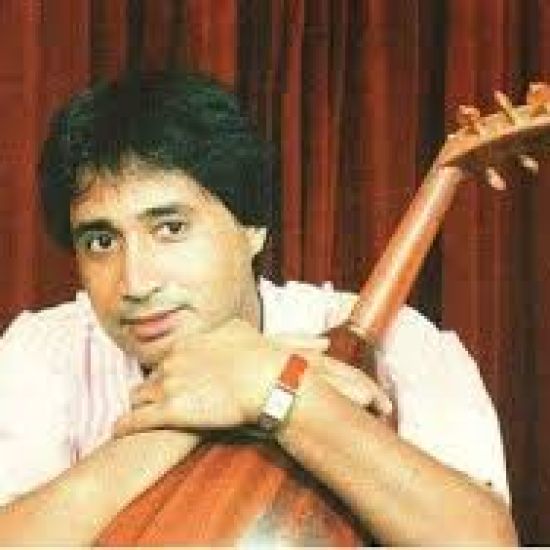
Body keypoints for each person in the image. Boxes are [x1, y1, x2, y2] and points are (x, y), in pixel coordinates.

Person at [0, 71, 517, 545]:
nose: (135, 282)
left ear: (253, 227)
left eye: (170, 228)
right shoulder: (43, 350)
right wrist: (194, 412)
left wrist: (277, 390)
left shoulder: (401, 343)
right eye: (101, 241)